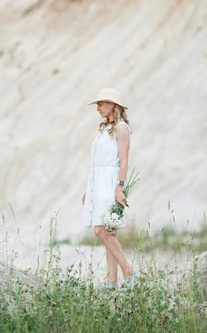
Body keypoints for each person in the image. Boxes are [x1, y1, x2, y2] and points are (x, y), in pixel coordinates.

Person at [82, 87, 136, 289]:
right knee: (109, 233)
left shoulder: (122, 129)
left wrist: (119, 188)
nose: (97, 108)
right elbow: (97, 163)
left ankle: (128, 271)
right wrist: (90, 190)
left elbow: (124, 162)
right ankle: (112, 281)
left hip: (111, 182)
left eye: (100, 104)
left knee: (101, 230)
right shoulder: (105, 128)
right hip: (99, 182)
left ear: (112, 105)